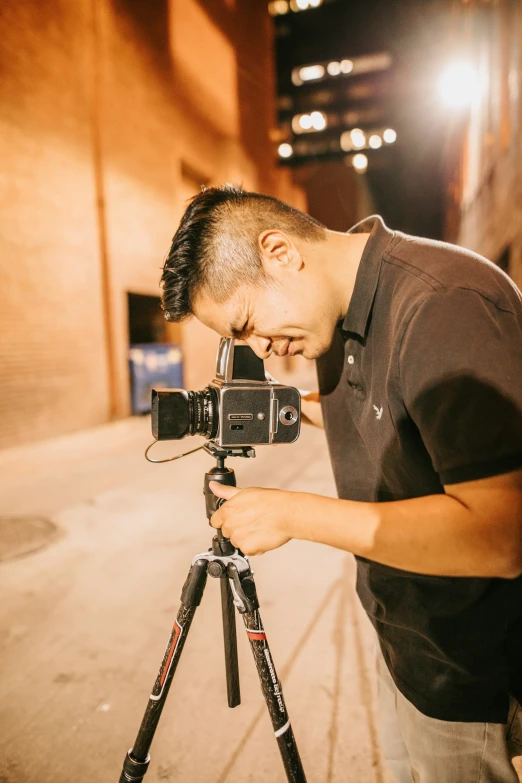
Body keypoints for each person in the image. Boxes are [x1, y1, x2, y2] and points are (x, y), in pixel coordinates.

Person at [160, 183, 522, 782]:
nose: (263, 350)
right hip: (405, 647)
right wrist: (290, 406)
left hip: (470, 675)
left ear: (279, 251)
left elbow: (501, 535)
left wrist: (294, 515)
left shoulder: (443, 304)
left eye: (248, 324)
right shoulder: (335, 313)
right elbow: (396, 408)